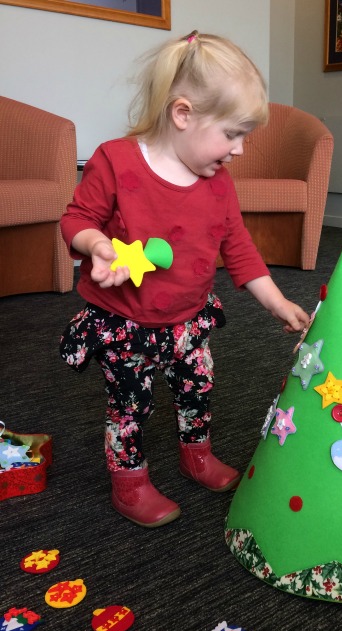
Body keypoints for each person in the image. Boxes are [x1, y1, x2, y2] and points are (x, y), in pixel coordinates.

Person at [60, 30, 310, 528]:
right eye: (232, 134)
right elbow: (75, 218)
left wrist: (278, 302)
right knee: (130, 406)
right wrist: (98, 246)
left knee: (198, 389)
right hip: (125, 322)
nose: (238, 151)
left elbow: (237, 246)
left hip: (188, 320)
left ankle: (196, 454)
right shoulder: (116, 160)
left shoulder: (218, 181)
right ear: (182, 114)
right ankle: (128, 481)